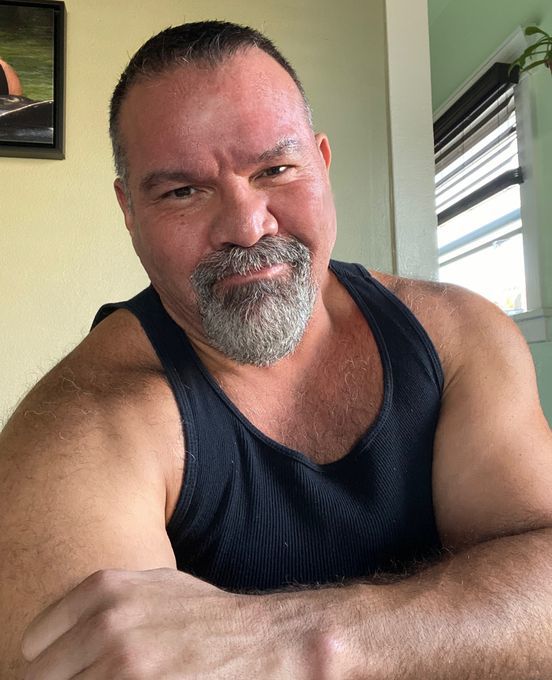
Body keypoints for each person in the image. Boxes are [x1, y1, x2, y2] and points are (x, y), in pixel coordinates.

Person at [1, 20, 551, 678]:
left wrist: (301, 641)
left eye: (276, 169)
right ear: (129, 211)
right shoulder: (80, 429)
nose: (246, 226)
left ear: (322, 163)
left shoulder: (461, 336)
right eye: (182, 191)